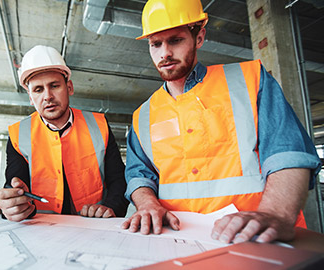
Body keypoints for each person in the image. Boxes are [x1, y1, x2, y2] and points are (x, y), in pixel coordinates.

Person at [122, 0, 322, 244]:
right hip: (174, 240)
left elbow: (287, 153)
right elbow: (139, 175)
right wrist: (147, 203)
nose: (164, 53)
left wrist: (275, 213)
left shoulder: (250, 80)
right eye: (155, 44)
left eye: (175, 40)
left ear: (199, 37)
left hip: (253, 238)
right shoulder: (143, 115)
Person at [0, 45, 129, 221]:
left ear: (70, 87)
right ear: (30, 98)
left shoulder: (99, 125)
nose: (48, 96)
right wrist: (13, 205)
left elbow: (118, 180)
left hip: (94, 225)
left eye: (54, 86)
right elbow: (15, 184)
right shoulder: (18, 134)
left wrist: (110, 207)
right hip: (41, 228)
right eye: (38, 89)